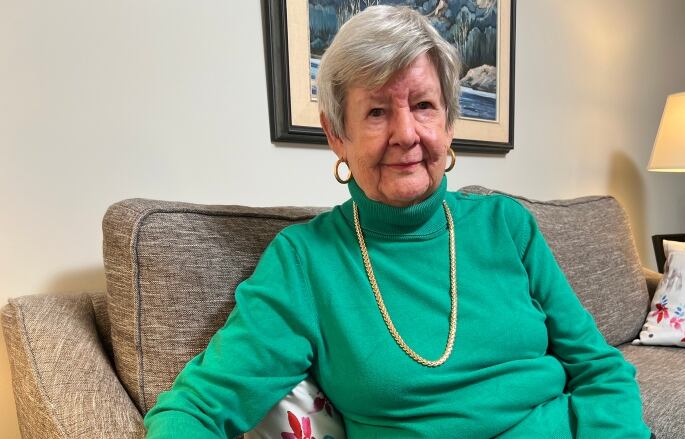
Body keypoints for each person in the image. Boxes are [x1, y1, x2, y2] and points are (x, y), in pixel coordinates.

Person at [143, 5, 652, 438]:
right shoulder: (305, 262)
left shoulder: (506, 226)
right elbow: (198, 408)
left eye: (424, 105)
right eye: (377, 112)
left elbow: (599, 368)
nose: (406, 134)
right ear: (336, 134)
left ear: (449, 124)